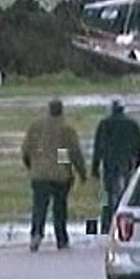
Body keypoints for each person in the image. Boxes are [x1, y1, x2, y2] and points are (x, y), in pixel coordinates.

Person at [21, 98, 87, 251]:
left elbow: (26, 150)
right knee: (60, 208)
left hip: (39, 174)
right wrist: (80, 172)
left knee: (39, 206)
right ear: (61, 110)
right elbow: (73, 153)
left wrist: (32, 165)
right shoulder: (66, 129)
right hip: (60, 175)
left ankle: (36, 234)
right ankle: (61, 238)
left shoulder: (36, 127)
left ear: (48, 109)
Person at [91, 98, 140, 233]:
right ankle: (123, 227)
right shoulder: (133, 124)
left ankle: (106, 226)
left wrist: (95, 167)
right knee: (126, 196)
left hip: (109, 164)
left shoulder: (104, 124)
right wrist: (139, 163)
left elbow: (98, 147)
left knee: (109, 195)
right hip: (127, 163)